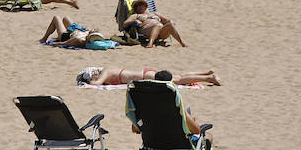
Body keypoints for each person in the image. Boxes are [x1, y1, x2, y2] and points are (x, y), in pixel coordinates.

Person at [125, 71, 214, 150]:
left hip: (153, 147)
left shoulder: (143, 105)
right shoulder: (173, 106)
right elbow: (196, 130)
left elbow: (135, 129)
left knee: (163, 133)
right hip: (179, 147)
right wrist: (187, 116)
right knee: (208, 136)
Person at [121, 0, 187, 47]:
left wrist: (170, 21)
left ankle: (181, 43)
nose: (140, 6)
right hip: (147, 30)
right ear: (135, 8)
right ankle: (150, 43)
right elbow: (124, 24)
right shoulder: (136, 15)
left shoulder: (155, 13)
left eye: (141, 4)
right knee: (157, 25)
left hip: (161, 32)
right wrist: (134, 21)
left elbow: (166, 20)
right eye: (137, 5)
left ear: (145, 6)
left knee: (170, 25)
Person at [78, 66, 221, 87]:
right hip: (146, 74)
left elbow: (97, 84)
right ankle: (205, 74)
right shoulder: (108, 71)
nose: (94, 77)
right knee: (179, 77)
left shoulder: (106, 71)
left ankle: (209, 78)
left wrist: (87, 84)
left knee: (178, 80)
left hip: (146, 76)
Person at [39, 15, 110, 48]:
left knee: (56, 18)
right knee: (66, 18)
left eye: (94, 31)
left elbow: (64, 43)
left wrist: (56, 43)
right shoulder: (87, 34)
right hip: (76, 30)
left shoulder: (79, 39)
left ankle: (44, 38)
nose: (94, 29)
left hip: (66, 36)